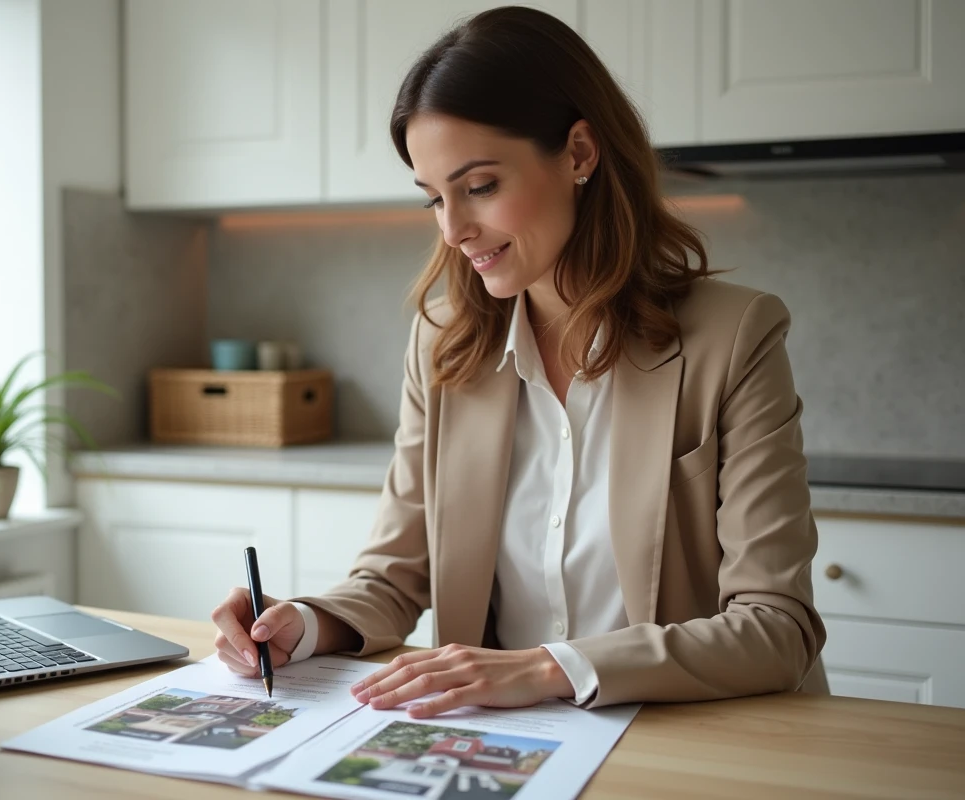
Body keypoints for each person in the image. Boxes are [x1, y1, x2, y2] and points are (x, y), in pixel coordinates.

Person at [210, 5, 827, 715]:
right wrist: (305, 624)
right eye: (434, 199)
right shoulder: (442, 340)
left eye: (479, 187)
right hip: (511, 748)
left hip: (689, 741)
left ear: (579, 154)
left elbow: (777, 628)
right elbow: (392, 577)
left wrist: (547, 669)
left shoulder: (734, 336)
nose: (454, 228)